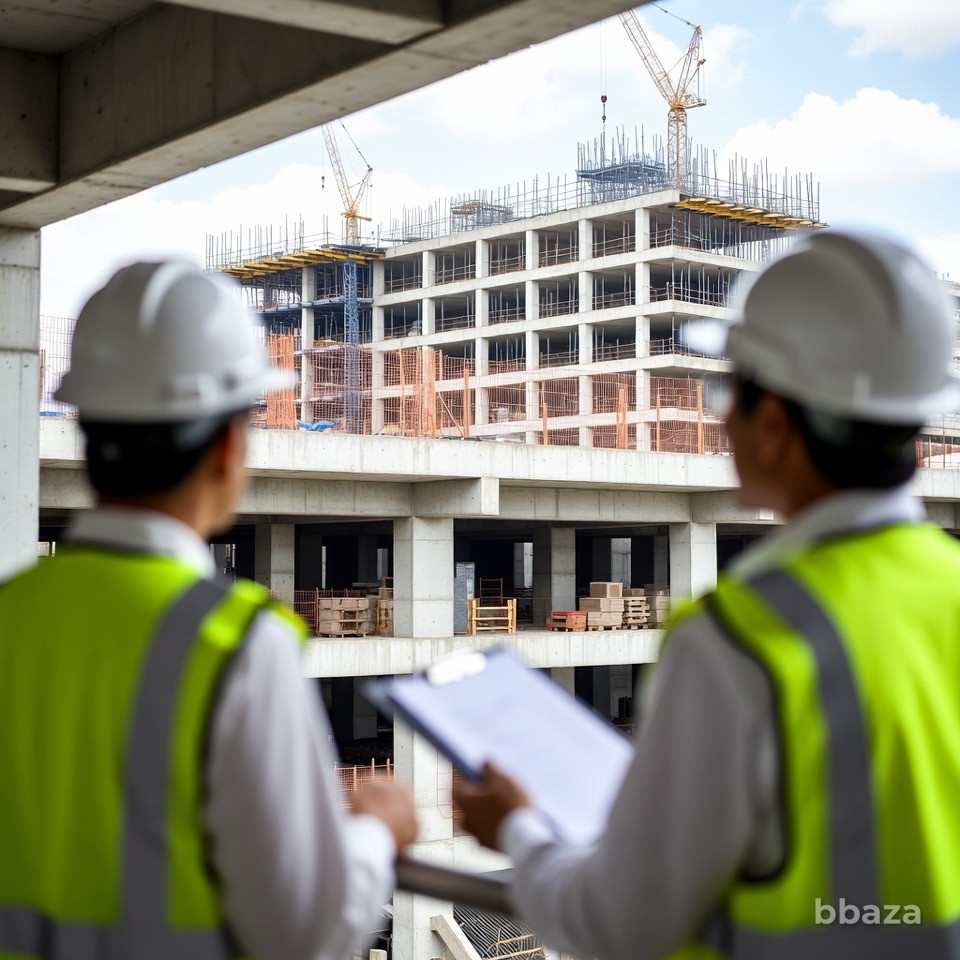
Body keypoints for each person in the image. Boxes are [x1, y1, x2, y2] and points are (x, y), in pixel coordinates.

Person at [454, 229, 960, 959]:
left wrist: (517, 830)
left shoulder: (740, 638)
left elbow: (621, 922)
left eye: (726, 391)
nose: (720, 418)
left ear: (775, 423)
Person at [0, 261, 418, 960]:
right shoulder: (234, 643)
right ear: (228, 447)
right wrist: (380, 831)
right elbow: (304, 930)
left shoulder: (12, 613)